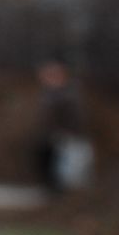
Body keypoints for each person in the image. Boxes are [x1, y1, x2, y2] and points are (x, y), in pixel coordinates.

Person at [35, 56, 92, 194]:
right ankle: (51, 187)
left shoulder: (67, 94)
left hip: (65, 134)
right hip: (52, 134)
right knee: (46, 159)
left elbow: (74, 116)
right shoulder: (50, 93)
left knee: (62, 163)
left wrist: (66, 131)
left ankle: (60, 190)